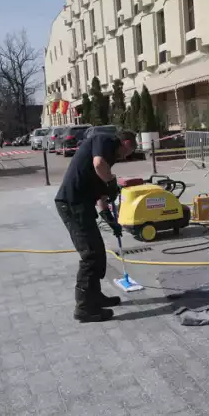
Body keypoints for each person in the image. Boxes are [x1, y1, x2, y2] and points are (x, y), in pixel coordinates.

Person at [55, 130, 137, 322]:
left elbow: (101, 194)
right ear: (124, 142)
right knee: (90, 255)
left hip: (82, 206)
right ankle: (84, 307)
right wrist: (111, 182)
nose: (127, 156)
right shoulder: (105, 139)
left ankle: (94, 297)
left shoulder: (110, 157)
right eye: (128, 151)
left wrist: (108, 217)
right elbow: (99, 165)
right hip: (71, 204)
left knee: (98, 252)